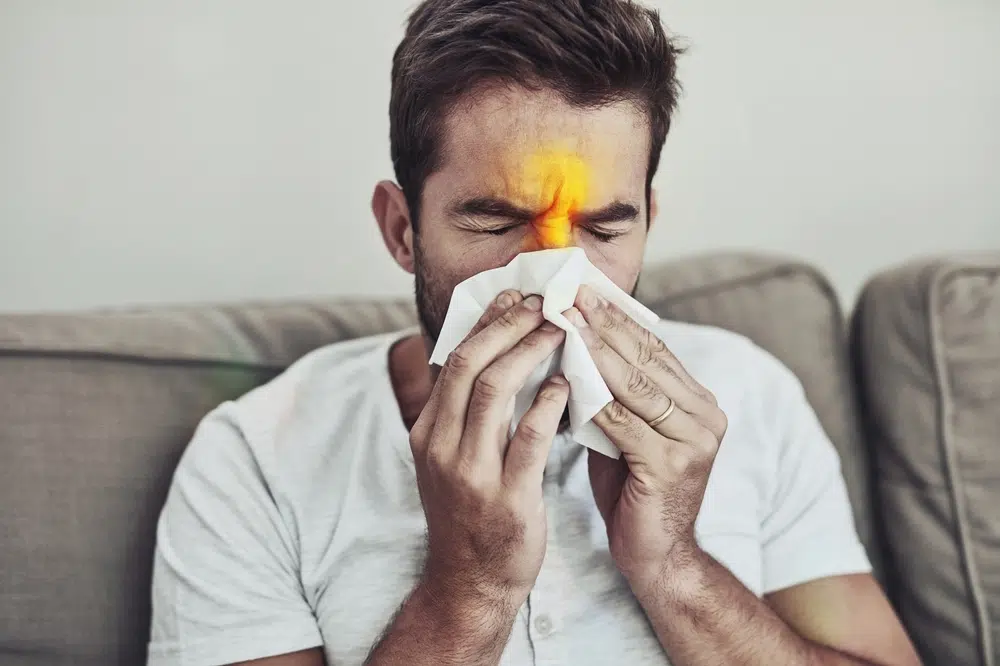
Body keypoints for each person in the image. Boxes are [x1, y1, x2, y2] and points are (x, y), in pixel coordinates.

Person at [148, 1, 922, 665]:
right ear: (401, 230)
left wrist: (678, 569)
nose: (555, 281)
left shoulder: (749, 394)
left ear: (648, 222)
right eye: (495, 221)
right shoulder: (255, 455)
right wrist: (469, 590)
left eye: (602, 228)